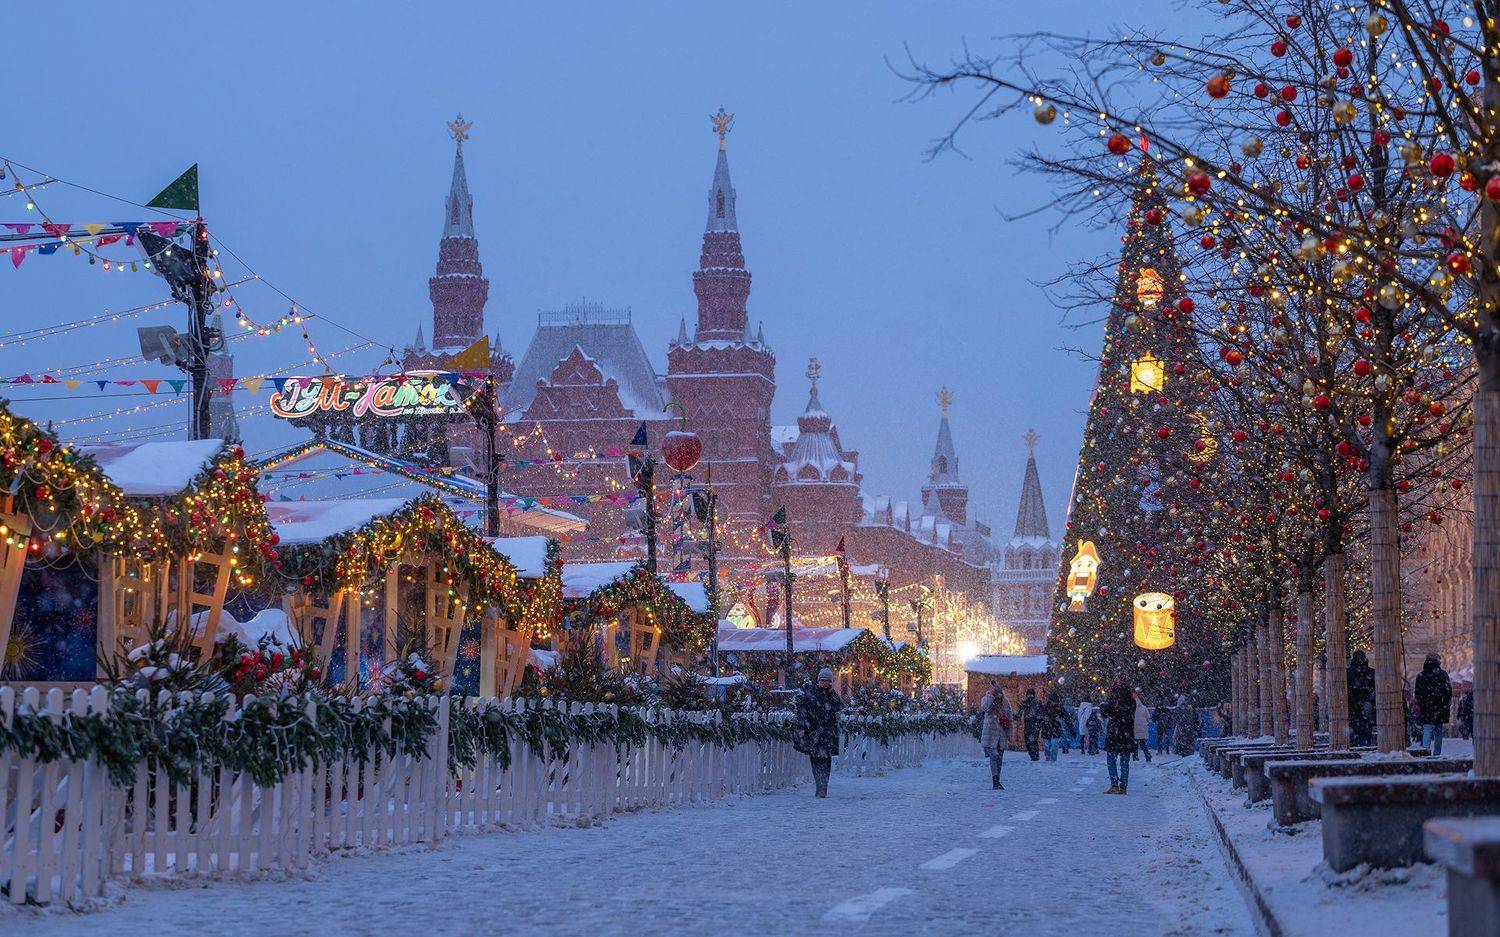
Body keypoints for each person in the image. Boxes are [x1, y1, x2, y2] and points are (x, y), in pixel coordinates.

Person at [794, 667, 843, 798]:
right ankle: (819, 785)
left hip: (828, 733)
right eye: (822, 680)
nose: (824, 683)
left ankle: (823, 786)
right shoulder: (811, 694)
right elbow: (802, 711)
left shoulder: (831, 695)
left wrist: (831, 693)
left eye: (827, 681)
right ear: (818, 680)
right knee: (815, 760)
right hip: (814, 733)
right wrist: (802, 727)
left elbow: (839, 706)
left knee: (826, 761)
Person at [1414, 654, 1453, 757]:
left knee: (1427, 729)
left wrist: (1422, 703)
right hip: (1440, 707)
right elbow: (1448, 690)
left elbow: (1417, 693)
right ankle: (1437, 753)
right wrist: (1445, 703)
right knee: (1438, 731)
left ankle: (1425, 751)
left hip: (1427, 708)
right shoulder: (1443, 674)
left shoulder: (1421, 676)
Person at [978, 679, 1014, 790]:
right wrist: (990, 695)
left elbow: (1009, 718)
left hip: (1001, 734)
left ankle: (997, 779)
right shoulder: (987, 699)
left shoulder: (1005, 702)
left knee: (999, 758)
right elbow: (985, 708)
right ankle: (995, 780)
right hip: (990, 734)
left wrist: (1009, 733)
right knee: (994, 756)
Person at [1100, 682, 1135, 794]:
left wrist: (1103, 706)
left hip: (1114, 735)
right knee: (1125, 763)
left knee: (1111, 760)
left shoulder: (1113, 701)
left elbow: (1106, 714)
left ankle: (1114, 784)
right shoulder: (1131, 702)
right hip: (1127, 735)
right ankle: (1123, 787)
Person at [1347, 650, 1376, 746]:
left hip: (1352, 704)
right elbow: (1374, 688)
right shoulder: (1371, 672)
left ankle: (1355, 744)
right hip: (1366, 704)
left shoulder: (1348, 673)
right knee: (1366, 727)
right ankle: (1365, 744)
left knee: (1354, 727)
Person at [1041, 692, 1067, 762]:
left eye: (1056, 701)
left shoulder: (1060, 708)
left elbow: (1067, 718)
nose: (1055, 703)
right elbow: (1039, 718)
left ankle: (1053, 760)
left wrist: (1060, 720)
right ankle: (1048, 756)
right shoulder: (1044, 708)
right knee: (1047, 745)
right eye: (1054, 701)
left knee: (1054, 745)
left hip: (1056, 730)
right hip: (1046, 730)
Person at [1019, 688, 1043, 761]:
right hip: (1032, 725)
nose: (1030, 696)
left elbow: (1019, 712)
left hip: (1032, 725)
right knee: (1031, 742)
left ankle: (1034, 756)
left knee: (1031, 742)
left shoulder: (1035, 702)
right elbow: (1019, 712)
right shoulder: (1028, 702)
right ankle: (1034, 756)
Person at [1132, 692, 1152, 763]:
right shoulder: (1144, 708)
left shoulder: (1131, 708)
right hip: (1142, 729)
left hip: (1134, 729)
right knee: (1143, 744)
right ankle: (1147, 756)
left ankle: (1135, 757)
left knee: (1135, 745)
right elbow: (1148, 718)